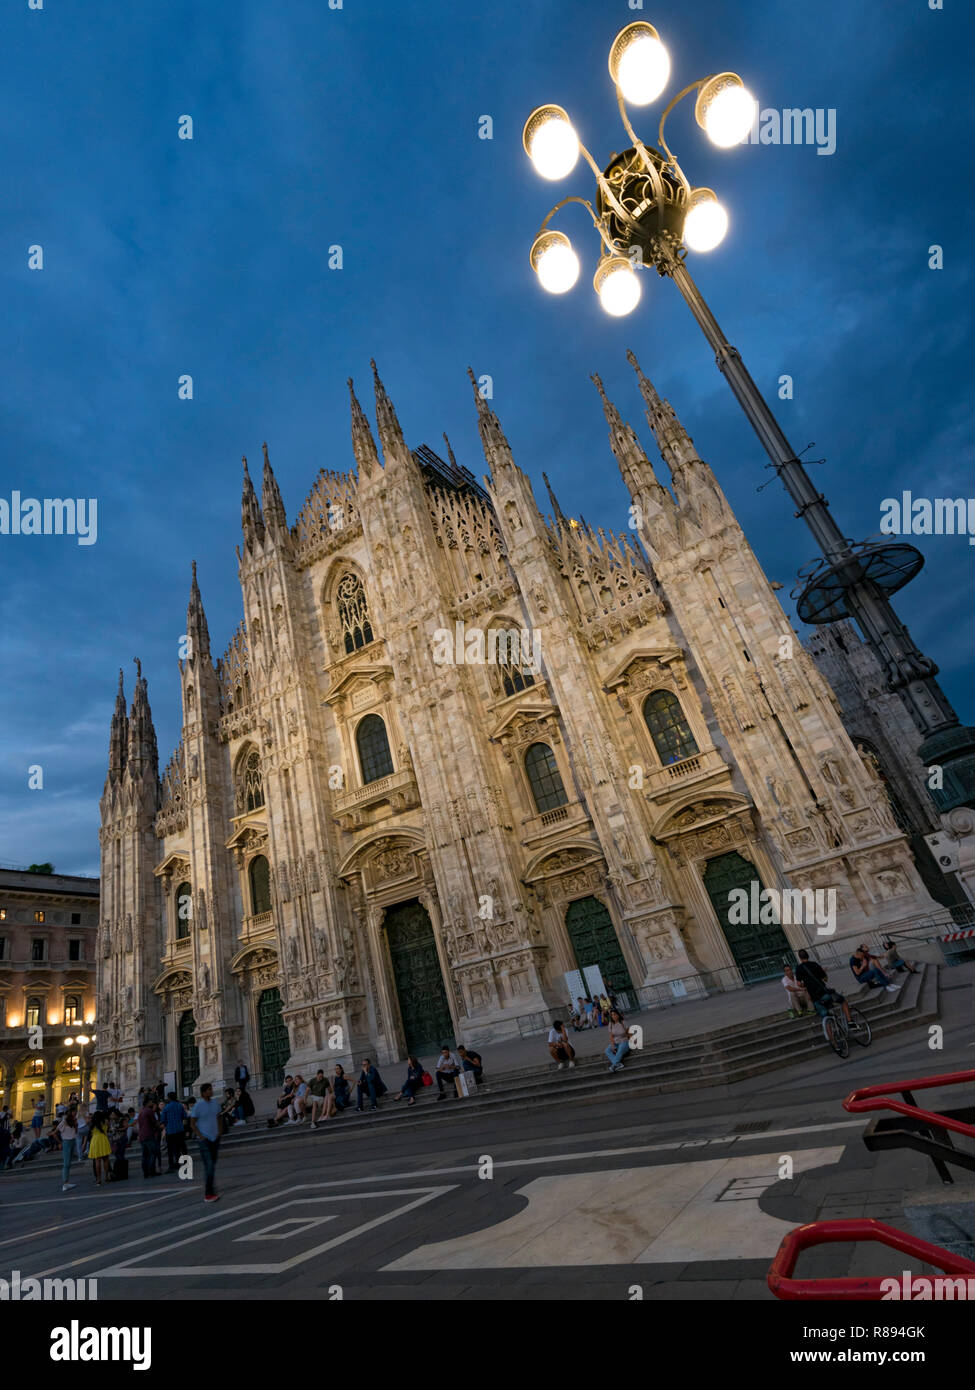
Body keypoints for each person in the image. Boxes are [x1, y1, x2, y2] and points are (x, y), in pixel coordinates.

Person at [795, 948, 855, 1025]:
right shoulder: (815, 964)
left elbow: (799, 984)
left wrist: (806, 984)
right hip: (824, 993)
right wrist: (823, 973)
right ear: (808, 956)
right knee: (843, 1001)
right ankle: (850, 1022)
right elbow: (825, 979)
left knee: (825, 1017)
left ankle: (830, 1035)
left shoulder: (798, 968)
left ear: (800, 958)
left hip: (815, 998)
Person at [189, 1081, 223, 1203]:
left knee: (211, 1165)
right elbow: (192, 1123)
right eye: (208, 1089)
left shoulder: (215, 1103)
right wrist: (200, 1136)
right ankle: (208, 1194)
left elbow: (219, 1116)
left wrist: (220, 1131)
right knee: (209, 1165)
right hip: (204, 1140)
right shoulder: (198, 1106)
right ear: (203, 1093)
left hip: (214, 1138)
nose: (211, 1091)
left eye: (211, 1089)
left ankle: (211, 1189)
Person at [162, 1092, 187, 1170]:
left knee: (171, 1149)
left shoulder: (166, 1107)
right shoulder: (180, 1106)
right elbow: (184, 1116)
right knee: (182, 1146)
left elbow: (163, 1120)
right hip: (179, 1129)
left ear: (169, 1098)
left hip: (170, 1130)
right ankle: (185, 1161)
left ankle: (172, 1164)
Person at [137, 1097, 160, 1179]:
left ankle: (145, 1172)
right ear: (148, 1102)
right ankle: (151, 1171)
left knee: (145, 1155)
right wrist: (159, 1126)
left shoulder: (141, 1112)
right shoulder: (149, 1111)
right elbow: (154, 1122)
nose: (152, 1103)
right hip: (149, 1134)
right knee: (152, 1153)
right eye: (151, 1102)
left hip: (142, 1135)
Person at [58, 1105, 79, 1191]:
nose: (75, 1113)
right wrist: (60, 1142)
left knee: (69, 1162)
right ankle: (65, 1183)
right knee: (66, 1163)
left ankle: (66, 1182)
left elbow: (75, 1131)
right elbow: (58, 1129)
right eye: (74, 1111)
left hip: (72, 1140)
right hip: (66, 1141)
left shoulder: (73, 1120)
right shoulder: (65, 1120)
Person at [88, 1112, 112, 1186]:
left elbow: (90, 1132)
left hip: (95, 1140)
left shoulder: (92, 1123)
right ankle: (107, 1176)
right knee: (106, 1159)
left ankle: (98, 1179)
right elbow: (109, 1128)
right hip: (103, 1139)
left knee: (97, 1161)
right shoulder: (105, 1121)